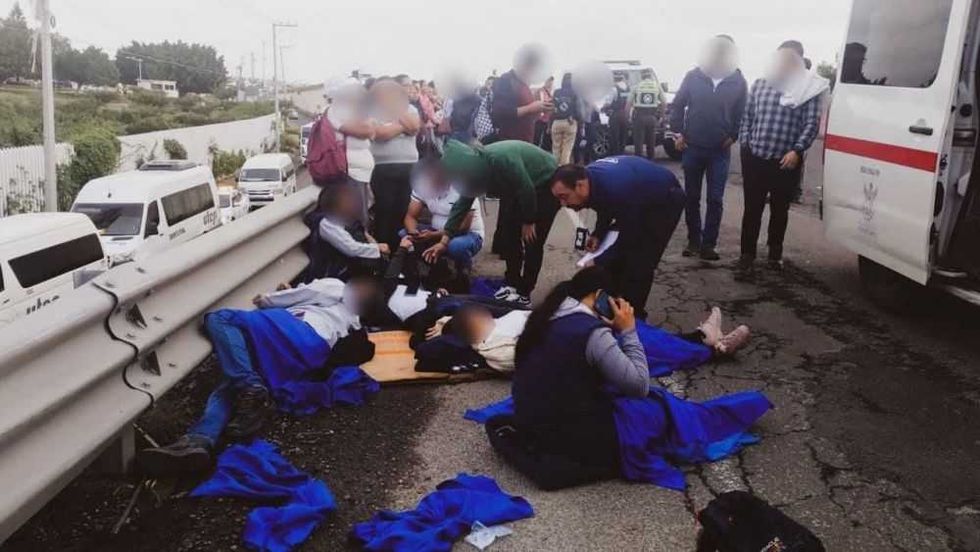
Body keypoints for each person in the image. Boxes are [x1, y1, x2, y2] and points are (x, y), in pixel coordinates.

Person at [486, 266, 769, 490]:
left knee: (644, 386)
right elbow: (638, 385)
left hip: (535, 424)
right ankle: (739, 409)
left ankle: (707, 348)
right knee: (658, 407)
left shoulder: (544, 319)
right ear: (600, 297)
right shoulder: (592, 332)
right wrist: (628, 330)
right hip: (570, 437)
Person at [136, 277, 380, 476]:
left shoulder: (337, 286)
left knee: (220, 318)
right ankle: (199, 441)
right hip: (311, 354)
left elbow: (307, 293)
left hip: (297, 331)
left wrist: (267, 299)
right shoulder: (353, 321)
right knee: (233, 381)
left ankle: (249, 385)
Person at [549, 157, 685, 320]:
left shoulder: (615, 188)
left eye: (565, 196)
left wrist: (599, 260)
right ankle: (612, 305)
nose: (563, 204)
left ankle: (634, 318)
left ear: (580, 185)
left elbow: (630, 235)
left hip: (664, 199)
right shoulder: (591, 180)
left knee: (640, 260)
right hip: (637, 197)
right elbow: (605, 206)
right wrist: (598, 233)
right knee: (615, 257)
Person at [738, 42, 827, 270]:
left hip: (785, 161)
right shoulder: (760, 84)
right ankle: (746, 256)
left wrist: (797, 150)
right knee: (752, 210)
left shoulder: (808, 89)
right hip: (756, 157)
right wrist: (746, 142)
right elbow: (747, 117)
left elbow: (810, 124)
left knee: (779, 211)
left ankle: (774, 254)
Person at [441, 139, 559, 306]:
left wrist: (529, 220)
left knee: (532, 241)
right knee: (509, 236)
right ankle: (512, 283)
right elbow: (463, 204)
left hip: (544, 183)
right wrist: (446, 237)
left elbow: (526, 188)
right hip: (516, 190)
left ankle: (525, 293)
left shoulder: (501, 159)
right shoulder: (470, 172)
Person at [671, 35, 748, 261]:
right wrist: (678, 132)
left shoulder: (738, 80)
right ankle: (694, 241)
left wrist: (733, 135)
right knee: (691, 197)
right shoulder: (694, 76)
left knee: (715, 199)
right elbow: (677, 106)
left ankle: (709, 245)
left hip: (719, 152)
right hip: (692, 147)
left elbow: (743, 113)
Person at [403, 160, 485, 274]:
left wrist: (433, 235)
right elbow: (411, 216)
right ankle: (430, 266)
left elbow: (463, 226)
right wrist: (413, 232)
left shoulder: (463, 188)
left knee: (456, 246)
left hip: (467, 234)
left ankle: (463, 269)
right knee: (404, 235)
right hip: (435, 230)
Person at [369, 79, 421, 251]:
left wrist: (395, 119)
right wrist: (402, 126)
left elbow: (414, 127)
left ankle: (402, 253)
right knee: (384, 210)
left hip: (409, 167)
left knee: (403, 210)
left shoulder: (410, 108)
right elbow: (380, 133)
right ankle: (384, 253)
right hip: (383, 168)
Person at [324, 77, 376, 226]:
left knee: (364, 217)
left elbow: (372, 131)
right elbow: (367, 131)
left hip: (361, 174)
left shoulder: (354, 111)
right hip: (350, 173)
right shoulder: (337, 110)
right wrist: (369, 125)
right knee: (357, 219)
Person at [312, 184, 389, 280]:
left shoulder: (346, 217)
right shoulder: (327, 224)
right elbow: (351, 248)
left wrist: (376, 245)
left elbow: (362, 232)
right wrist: (377, 248)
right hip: (336, 273)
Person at [491, 47, 554, 143]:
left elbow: (528, 115)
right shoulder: (507, 80)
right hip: (509, 143)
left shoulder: (524, 84)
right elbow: (499, 112)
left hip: (525, 141)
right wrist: (530, 108)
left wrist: (540, 108)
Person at [627, 68, 666, 160]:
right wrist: (661, 116)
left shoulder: (636, 86)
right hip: (652, 117)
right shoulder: (657, 86)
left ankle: (639, 164)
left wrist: (628, 117)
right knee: (651, 143)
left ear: (641, 76)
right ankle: (650, 162)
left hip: (639, 117)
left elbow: (628, 104)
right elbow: (664, 102)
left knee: (638, 143)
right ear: (650, 76)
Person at [550, 73, 579, 165]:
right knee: (567, 148)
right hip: (569, 122)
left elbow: (552, 107)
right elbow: (578, 108)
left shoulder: (556, 92)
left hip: (557, 122)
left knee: (556, 148)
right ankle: (564, 169)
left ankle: (554, 168)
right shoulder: (575, 92)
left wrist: (549, 124)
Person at [607, 73, 631, 156]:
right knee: (623, 137)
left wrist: (603, 108)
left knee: (614, 137)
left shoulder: (614, 89)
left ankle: (615, 155)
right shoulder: (628, 88)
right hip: (625, 115)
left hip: (615, 114)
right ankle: (622, 153)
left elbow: (608, 102)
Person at [533, 76, 555, 148]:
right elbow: (536, 103)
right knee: (537, 138)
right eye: (549, 82)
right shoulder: (540, 91)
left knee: (546, 141)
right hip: (539, 118)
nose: (550, 84)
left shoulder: (552, 93)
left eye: (551, 82)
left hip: (548, 120)